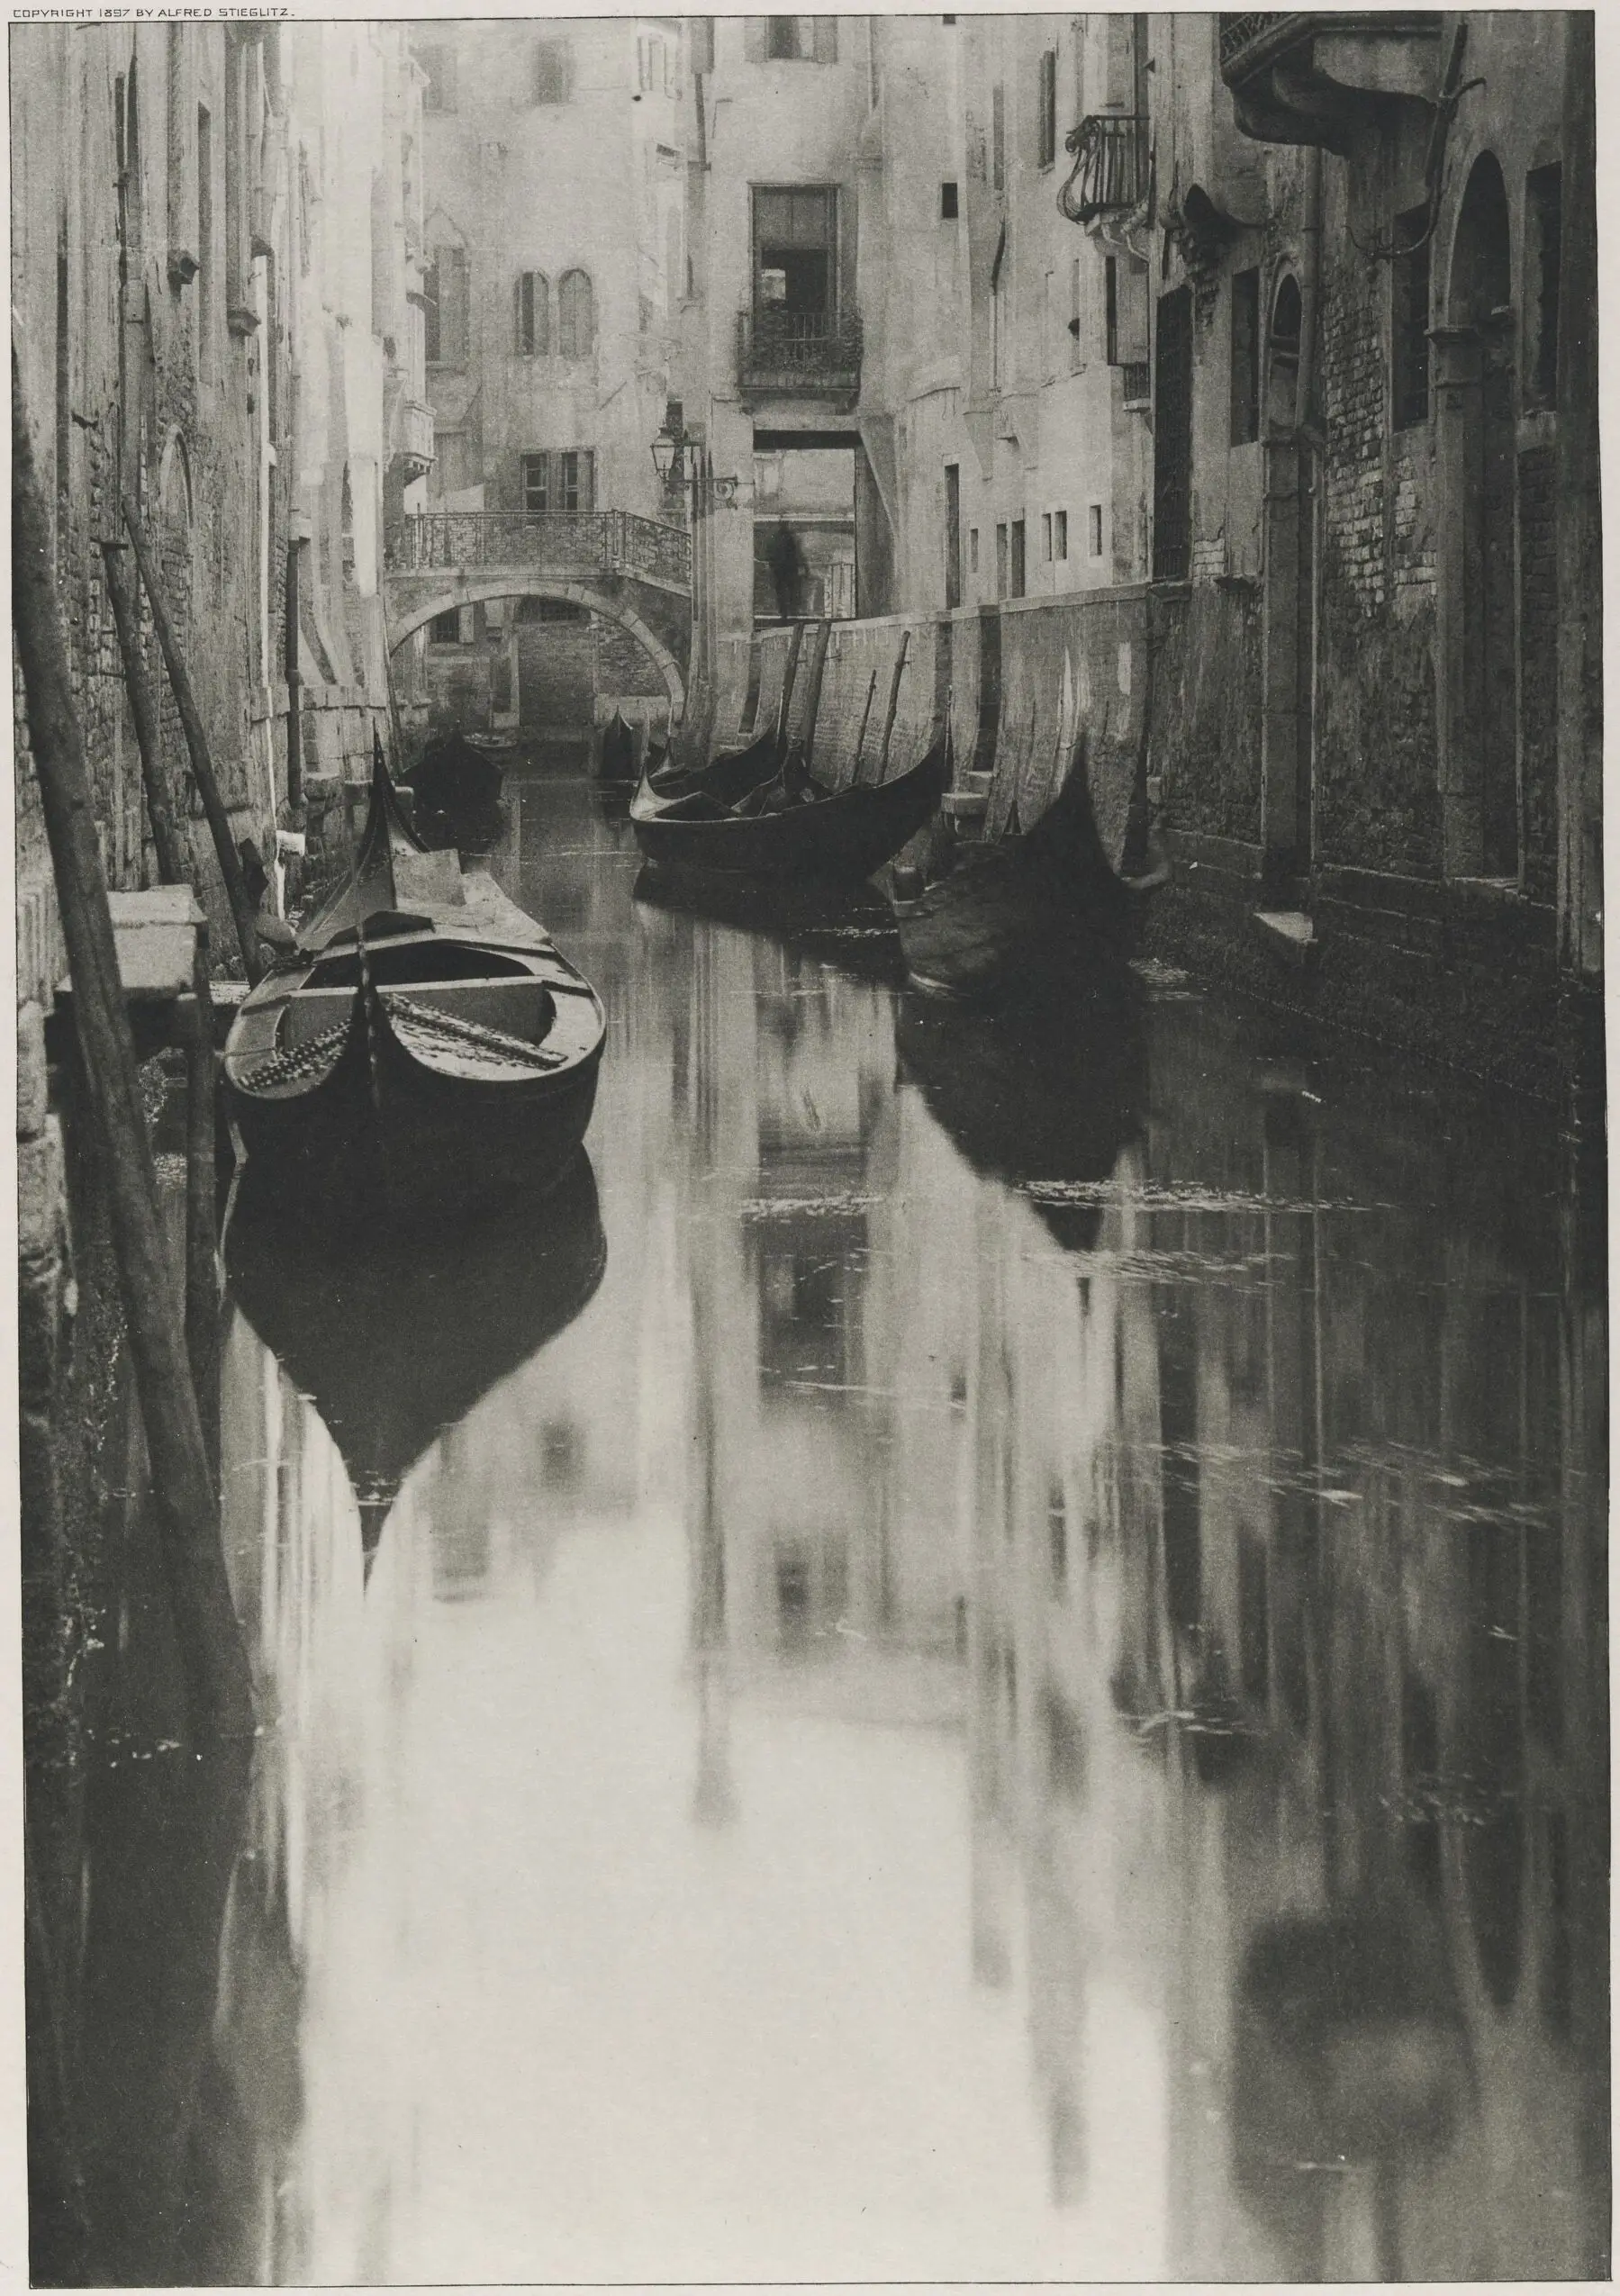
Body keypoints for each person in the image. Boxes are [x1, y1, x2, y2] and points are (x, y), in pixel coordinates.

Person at [765, 521, 805, 620]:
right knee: (790, 591)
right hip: (787, 570)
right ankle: (790, 612)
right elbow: (797, 553)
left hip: (782, 570)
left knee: (784, 592)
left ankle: (786, 613)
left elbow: (772, 554)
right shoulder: (790, 538)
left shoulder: (777, 538)